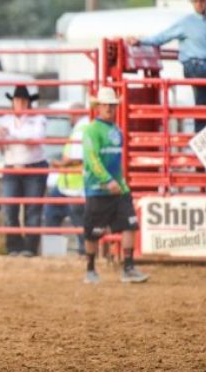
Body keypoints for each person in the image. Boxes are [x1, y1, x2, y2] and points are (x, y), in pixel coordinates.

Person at [127, 0, 206, 133]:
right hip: (194, 66)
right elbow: (162, 37)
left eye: (202, 1)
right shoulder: (186, 23)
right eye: (196, 1)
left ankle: (203, 136)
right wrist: (141, 41)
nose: (199, 3)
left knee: (202, 106)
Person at [82, 87, 149, 284]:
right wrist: (107, 180)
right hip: (97, 188)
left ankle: (128, 267)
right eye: (106, 105)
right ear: (98, 107)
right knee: (92, 232)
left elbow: (115, 161)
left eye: (112, 105)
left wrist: (119, 182)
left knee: (130, 223)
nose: (109, 108)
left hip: (117, 188)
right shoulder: (92, 130)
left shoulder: (116, 130)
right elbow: (92, 159)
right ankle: (90, 269)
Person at [0, 86, 47, 257]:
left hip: (32, 166)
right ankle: (14, 247)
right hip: (14, 167)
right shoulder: (6, 120)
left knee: (33, 209)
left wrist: (8, 136)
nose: (20, 104)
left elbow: (36, 138)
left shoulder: (37, 119)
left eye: (23, 101)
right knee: (10, 208)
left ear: (28, 103)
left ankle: (29, 248)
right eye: (17, 101)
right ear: (13, 103)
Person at [44, 112, 88, 256]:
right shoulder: (84, 127)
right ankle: (56, 252)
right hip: (68, 184)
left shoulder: (81, 128)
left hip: (76, 185)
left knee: (76, 219)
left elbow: (77, 158)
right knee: (55, 214)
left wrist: (59, 164)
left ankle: (55, 252)